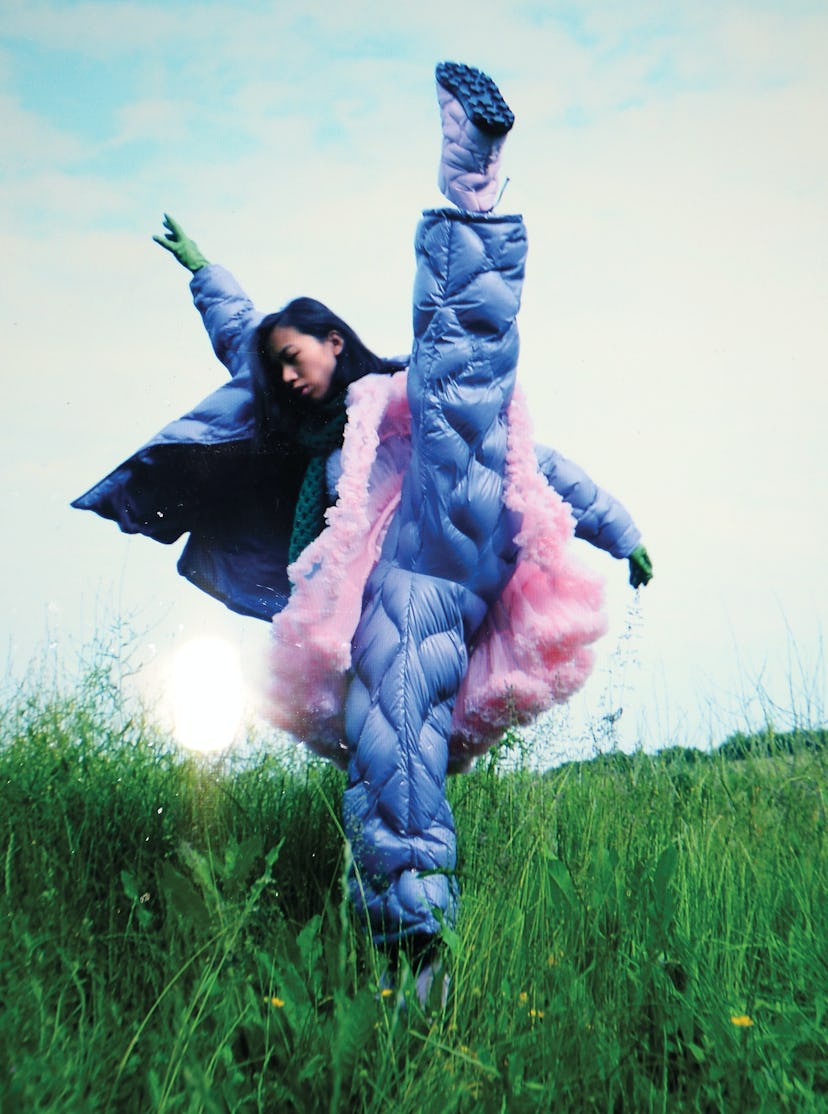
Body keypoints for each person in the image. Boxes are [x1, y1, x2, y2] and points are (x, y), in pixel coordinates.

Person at [73, 61, 652, 997]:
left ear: (334, 340)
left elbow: (530, 460)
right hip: (357, 607)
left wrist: (616, 530)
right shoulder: (295, 418)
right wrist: (202, 271)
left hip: (423, 541)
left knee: (460, 377)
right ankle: (391, 934)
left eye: (297, 358)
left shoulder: (388, 399)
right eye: (280, 368)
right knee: (386, 753)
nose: (290, 376)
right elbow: (243, 334)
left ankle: (474, 178)